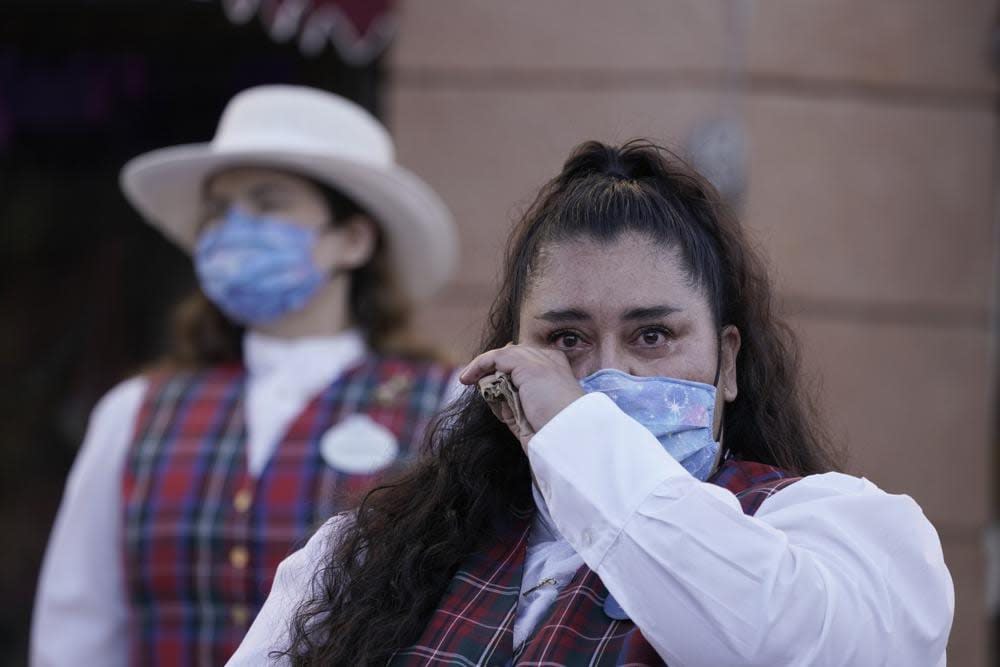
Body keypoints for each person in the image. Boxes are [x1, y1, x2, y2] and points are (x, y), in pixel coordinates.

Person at [227, 139, 954, 667]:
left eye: (654, 334)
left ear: (728, 361)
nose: (606, 374)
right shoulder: (364, 556)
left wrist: (579, 434)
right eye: (565, 338)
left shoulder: (843, 532)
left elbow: (773, 636)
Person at [31, 85, 459, 667]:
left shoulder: (442, 402)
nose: (235, 227)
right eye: (219, 210)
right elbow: (77, 627)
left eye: (267, 202)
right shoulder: (133, 412)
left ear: (352, 240)